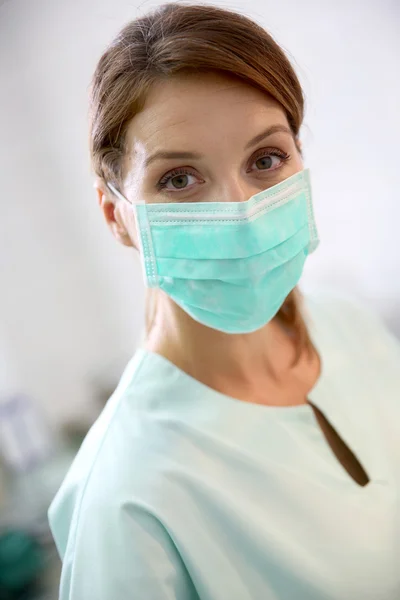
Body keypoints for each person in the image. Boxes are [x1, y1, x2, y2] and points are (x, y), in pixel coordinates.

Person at [48, 4, 400, 599]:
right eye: (179, 179)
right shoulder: (126, 497)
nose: (240, 212)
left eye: (266, 160)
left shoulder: (350, 328)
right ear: (117, 216)